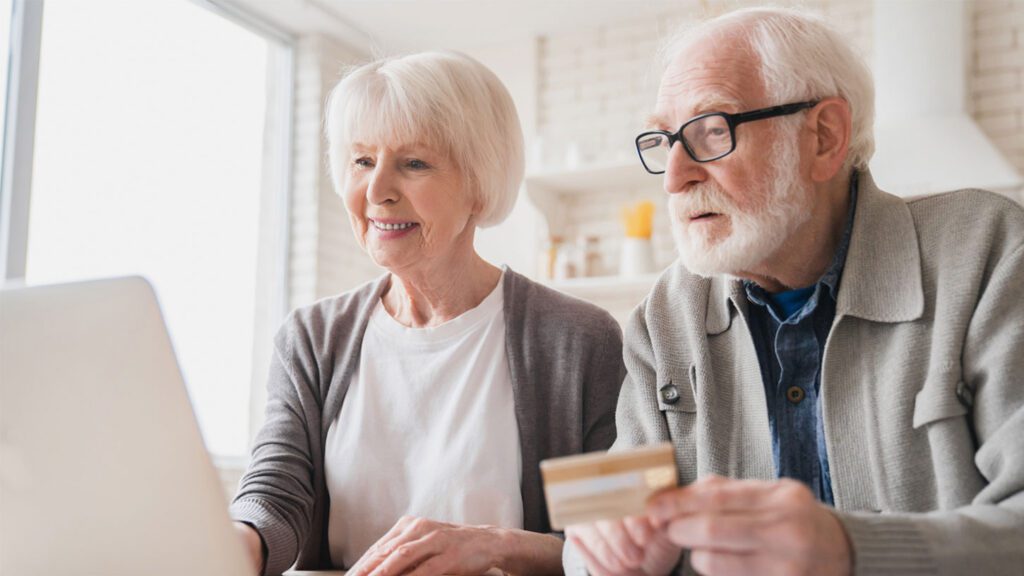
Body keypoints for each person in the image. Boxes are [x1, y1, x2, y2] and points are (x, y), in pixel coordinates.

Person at [567, 7, 1024, 576]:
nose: (674, 176)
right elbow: (591, 524)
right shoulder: (661, 316)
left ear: (824, 137)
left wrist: (851, 549)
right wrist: (598, 546)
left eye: (712, 130)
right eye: (665, 140)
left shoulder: (990, 251)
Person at [229, 51, 625, 576]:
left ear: (479, 183)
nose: (377, 191)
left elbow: (620, 543)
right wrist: (228, 544)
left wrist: (496, 547)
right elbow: (275, 497)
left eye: (414, 163)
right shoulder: (311, 338)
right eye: (362, 161)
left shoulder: (581, 339)